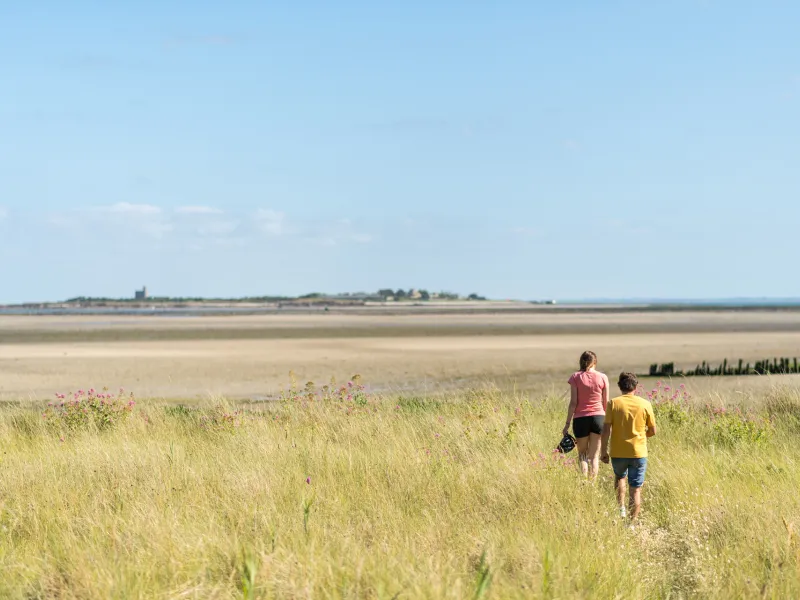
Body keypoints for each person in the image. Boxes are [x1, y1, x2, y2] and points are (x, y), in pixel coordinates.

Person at [601, 372, 657, 522]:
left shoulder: (613, 403)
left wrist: (603, 451)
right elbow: (652, 430)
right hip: (638, 452)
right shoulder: (645, 404)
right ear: (636, 386)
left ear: (620, 386)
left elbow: (606, 430)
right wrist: (641, 436)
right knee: (636, 489)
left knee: (620, 478)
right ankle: (631, 524)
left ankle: (621, 510)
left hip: (618, 452)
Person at [563, 351, 610, 479]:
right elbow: (606, 403)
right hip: (599, 418)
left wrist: (567, 424)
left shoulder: (575, 377)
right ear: (595, 362)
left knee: (582, 455)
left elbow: (573, 403)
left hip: (580, 419)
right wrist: (608, 423)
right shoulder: (603, 377)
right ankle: (592, 484)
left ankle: (584, 483)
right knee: (594, 456)